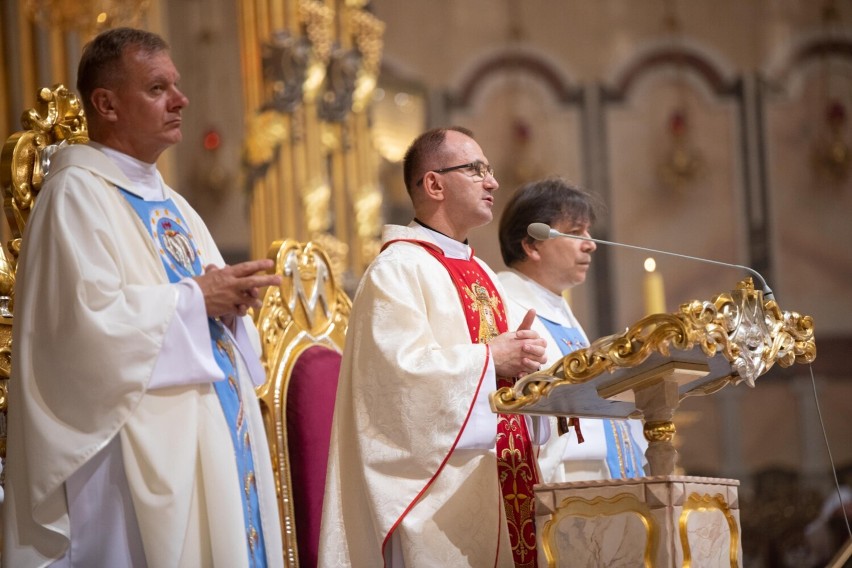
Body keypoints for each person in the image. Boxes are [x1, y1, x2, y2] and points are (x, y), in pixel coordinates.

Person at [2, 28, 284, 567]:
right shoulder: (75, 195)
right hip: (126, 453)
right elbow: (80, 334)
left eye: (176, 85)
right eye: (158, 88)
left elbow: (198, 299)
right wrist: (196, 298)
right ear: (106, 104)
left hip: (211, 435)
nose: (180, 100)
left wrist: (230, 305)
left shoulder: (173, 202)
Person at [319, 127, 549, 567]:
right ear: (434, 184)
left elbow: (501, 378)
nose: (493, 182)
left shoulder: (481, 270)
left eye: (491, 171)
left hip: (501, 488)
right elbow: (396, 386)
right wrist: (491, 359)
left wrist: (528, 369)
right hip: (433, 503)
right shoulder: (397, 271)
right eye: (477, 169)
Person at [497, 178, 647, 482]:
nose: (591, 243)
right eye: (576, 232)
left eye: (588, 232)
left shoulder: (555, 306)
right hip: (559, 484)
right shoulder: (505, 306)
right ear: (531, 244)